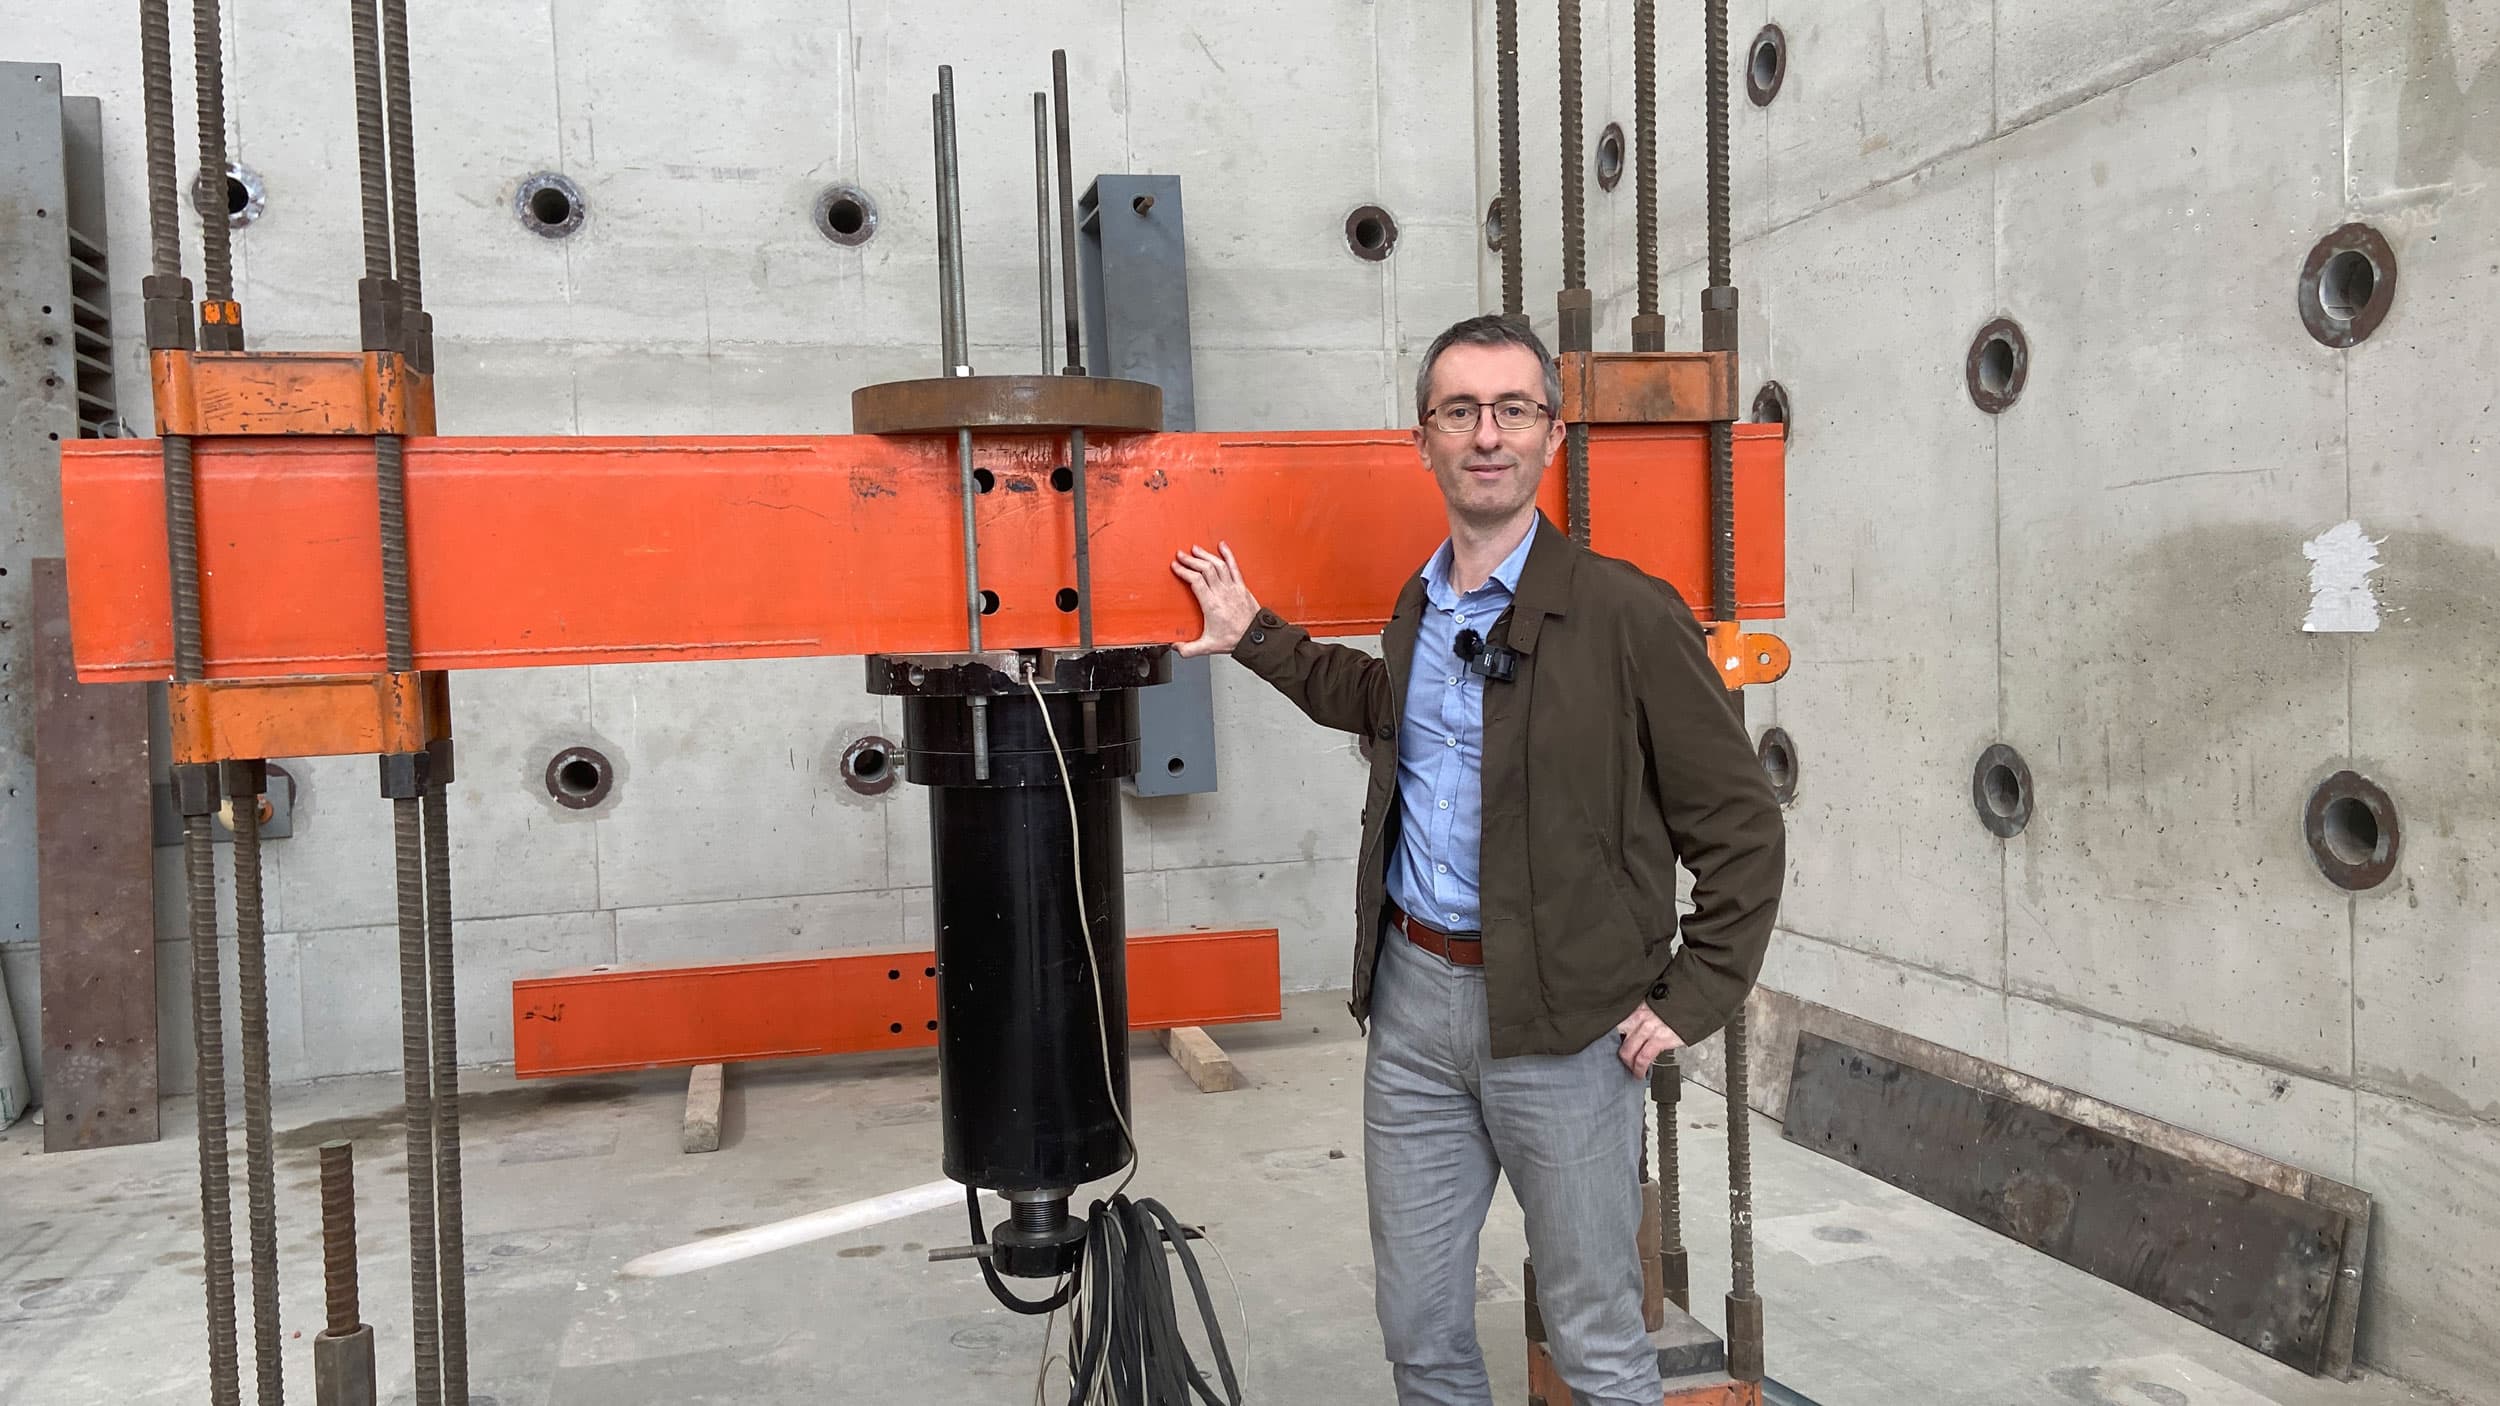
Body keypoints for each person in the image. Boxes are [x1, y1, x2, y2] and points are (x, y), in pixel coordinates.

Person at [1169, 313, 1785, 1405]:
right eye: (1460, 412)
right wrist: (1255, 631)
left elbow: (1741, 824)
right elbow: (1386, 709)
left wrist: (1692, 996)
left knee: (1596, 1336)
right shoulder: (1423, 601)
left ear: (1551, 435)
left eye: (1512, 410)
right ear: (1425, 440)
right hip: (1413, 1009)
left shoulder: (1628, 617)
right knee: (1418, 1328)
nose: (1486, 434)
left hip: (1562, 1024)